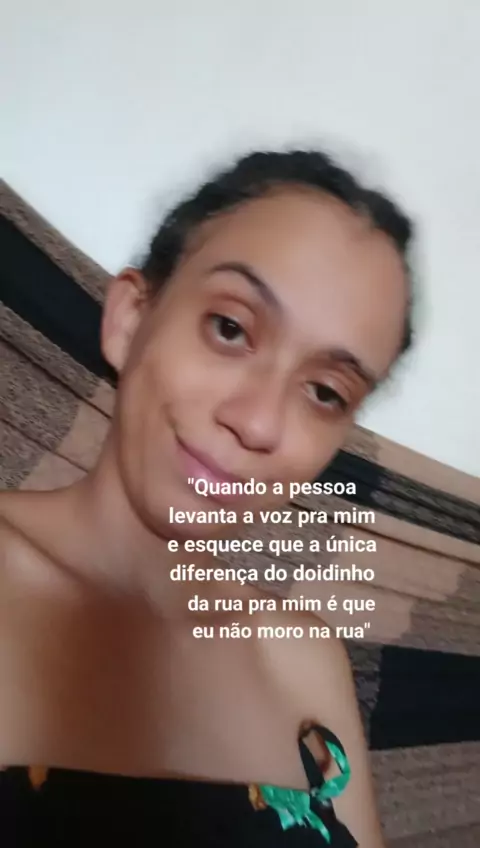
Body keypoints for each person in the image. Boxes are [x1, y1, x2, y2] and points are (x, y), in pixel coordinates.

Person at [0, 149, 414, 847]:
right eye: (230, 328)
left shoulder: (307, 656)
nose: (259, 423)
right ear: (131, 319)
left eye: (325, 392)